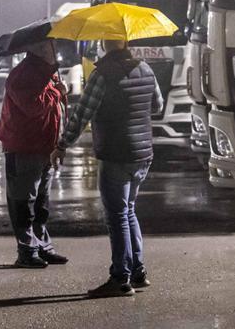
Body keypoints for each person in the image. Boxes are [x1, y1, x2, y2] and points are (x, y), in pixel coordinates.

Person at [50, 39, 163, 297]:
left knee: (118, 216)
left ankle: (120, 278)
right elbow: (157, 106)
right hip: (143, 153)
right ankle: (138, 272)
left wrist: (62, 144)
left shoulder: (102, 75)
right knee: (129, 211)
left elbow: (81, 115)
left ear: (104, 43)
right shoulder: (146, 69)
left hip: (116, 153)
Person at [0, 40, 69, 268]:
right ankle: (26, 250)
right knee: (23, 202)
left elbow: (56, 107)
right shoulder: (23, 75)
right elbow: (33, 106)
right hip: (24, 148)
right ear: (39, 49)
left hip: (45, 147)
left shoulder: (47, 73)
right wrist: (58, 93)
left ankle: (42, 246)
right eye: (51, 45)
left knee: (41, 204)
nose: (56, 48)